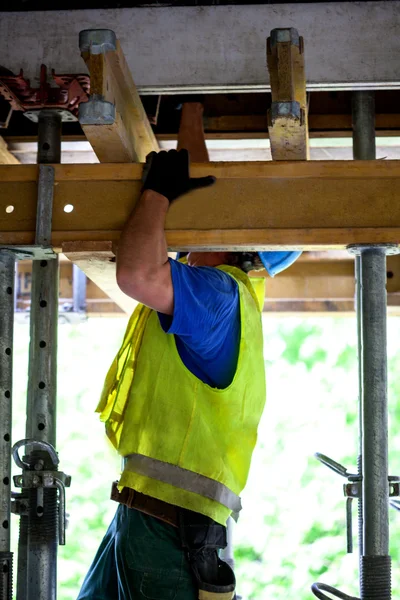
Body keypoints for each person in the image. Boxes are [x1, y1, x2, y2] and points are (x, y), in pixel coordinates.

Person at [77, 102, 301, 600]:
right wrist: (192, 111)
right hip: (153, 520)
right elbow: (199, 188)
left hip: (169, 534)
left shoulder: (217, 295)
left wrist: (157, 191)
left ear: (237, 239)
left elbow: (136, 275)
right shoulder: (229, 293)